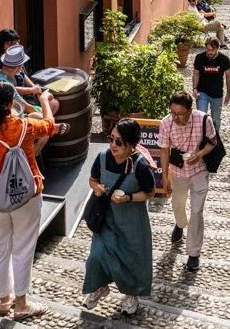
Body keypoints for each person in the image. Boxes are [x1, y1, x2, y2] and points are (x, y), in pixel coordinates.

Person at [0, 80, 63, 319]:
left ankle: (4, 300)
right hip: (28, 197)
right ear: (12, 102)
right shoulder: (25, 126)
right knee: (23, 247)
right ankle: (21, 304)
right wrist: (43, 100)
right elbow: (51, 126)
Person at [83, 118, 156, 315]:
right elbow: (92, 180)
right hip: (107, 219)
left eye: (119, 142)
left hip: (132, 222)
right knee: (96, 256)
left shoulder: (140, 166)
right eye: (111, 139)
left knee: (132, 259)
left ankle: (132, 294)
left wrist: (129, 197)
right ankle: (100, 286)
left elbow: (149, 193)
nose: (112, 145)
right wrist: (97, 188)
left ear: (131, 145)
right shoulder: (102, 158)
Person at [160, 91, 216, 271]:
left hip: (199, 172)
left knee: (197, 212)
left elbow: (213, 142)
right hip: (177, 172)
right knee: (177, 204)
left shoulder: (203, 120)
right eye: (172, 112)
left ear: (190, 110)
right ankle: (179, 223)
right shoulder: (166, 123)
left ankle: (193, 253)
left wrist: (199, 154)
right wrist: (164, 176)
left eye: (180, 113)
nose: (175, 117)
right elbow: (163, 150)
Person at [0, 44, 56, 116]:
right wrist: (46, 117)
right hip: (7, 121)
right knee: (38, 115)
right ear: (19, 67)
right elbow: (27, 107)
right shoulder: (6, 85)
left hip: (4, 117)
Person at [191, 36, 230, 133]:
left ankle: (215, 140)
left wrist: (228, 93)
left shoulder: (224, 59)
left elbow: (229, 76)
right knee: (201, 117)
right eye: (208, 50)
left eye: (212, 50)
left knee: (215, 120)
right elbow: (196, 73)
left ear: (218, 48)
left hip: (217, 94)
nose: (210, 52)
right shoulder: (200, 58)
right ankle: (202, 139)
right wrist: (194, 88)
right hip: (202, 92)